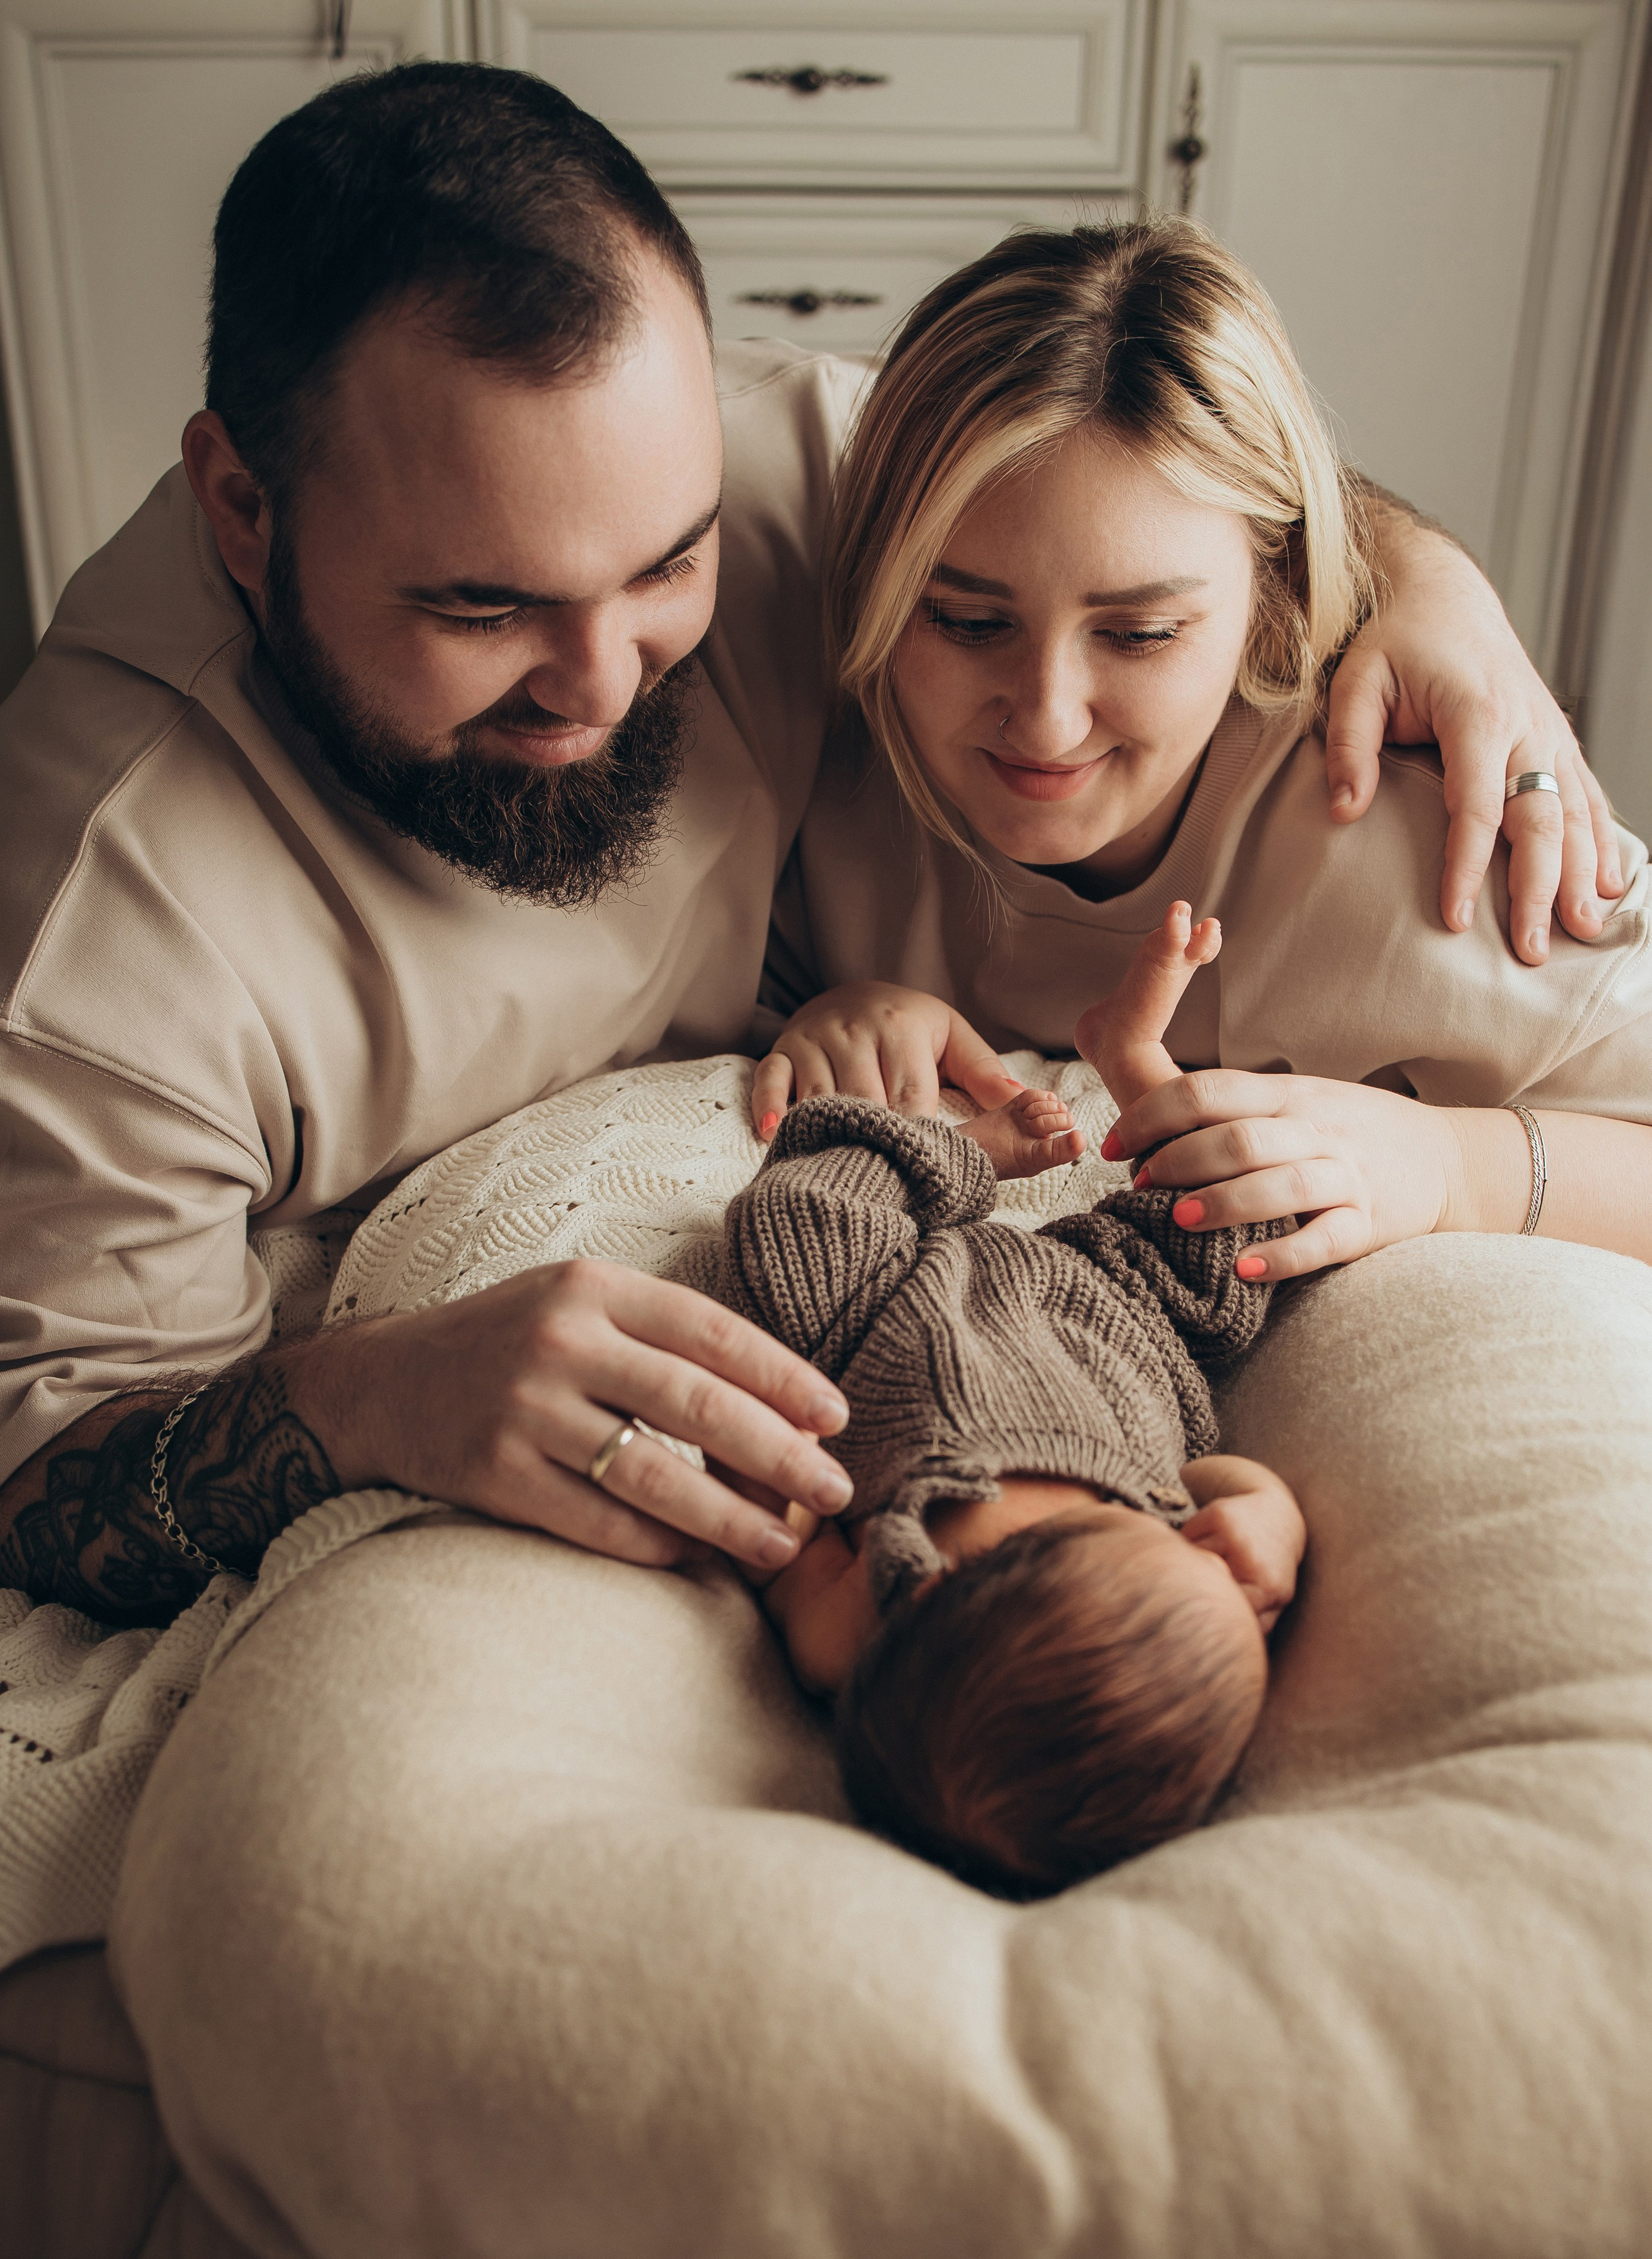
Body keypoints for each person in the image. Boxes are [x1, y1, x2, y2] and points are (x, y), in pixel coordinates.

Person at [0, 74, 1615, 1632]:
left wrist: (1420, 577)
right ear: (242, 510)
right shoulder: (101, 933)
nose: (606, 679)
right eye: (481, 608)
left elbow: (1125, 447)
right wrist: (365, 1398)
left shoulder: (760, 467)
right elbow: (31, 1478)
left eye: (668, 568)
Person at [755, 219, 1652, 1275]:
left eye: (1139, 635)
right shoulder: (821, 758)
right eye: (965, 621)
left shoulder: (1421, 836)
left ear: (1275, 593)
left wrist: (1453, 1163)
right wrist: (841, 1008)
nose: (1047, 720)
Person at [721, 901, 1305, 1898]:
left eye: (1212, 1563)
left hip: (901, 1312)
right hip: (1119, 1319)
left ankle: (956, 1154)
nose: (1229, 1558)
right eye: (1256, 1607)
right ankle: (1133, 1055)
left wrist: (782, 1449)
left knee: (799, 1229)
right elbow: (1206, 1473)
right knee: (1239, 1232)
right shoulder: (1171, 1530)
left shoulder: (855, 1623)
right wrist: (1273, 1515)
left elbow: (768, 1521)